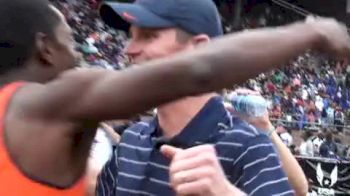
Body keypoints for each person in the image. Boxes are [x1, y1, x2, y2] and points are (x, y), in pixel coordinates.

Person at [0, 0, 349, 195]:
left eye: (148, 37)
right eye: (130, 36)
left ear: (198, 49)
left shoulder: (248, 145)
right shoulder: (133, 141)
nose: (129, 50)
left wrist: (224, 193)